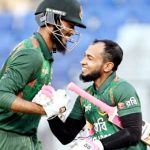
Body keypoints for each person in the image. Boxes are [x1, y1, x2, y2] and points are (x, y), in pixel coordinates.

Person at [0, 0, 86, 149]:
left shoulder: (43, 54)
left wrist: (49, 103)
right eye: (70, 24)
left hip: (26, 136)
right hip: (9, 138)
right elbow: (1, 94)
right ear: (51, 19)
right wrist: (44, 109)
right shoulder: (32, 54)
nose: (72, 31)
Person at [45, 39, 147, 149]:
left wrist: (97, 146)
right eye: (84, 56)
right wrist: (51, 113)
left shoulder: (122, 88)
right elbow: (66, 136)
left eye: (90, 58)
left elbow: (133, 133)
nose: (82, 61)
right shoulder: (84, 96)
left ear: (107, 66)